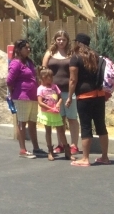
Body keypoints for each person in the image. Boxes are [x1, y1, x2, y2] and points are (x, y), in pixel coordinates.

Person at [67, 32, 110, 166]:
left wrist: (69, 96)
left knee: (86, 127)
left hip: (84, 96)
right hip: (99, 95)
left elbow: (73, 80)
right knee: (101, 126)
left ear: (78, 43)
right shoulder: (97, 57)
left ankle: (85, 158)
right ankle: (105, 157)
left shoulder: (75, 58)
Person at [42, 29, 80, 157]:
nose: (61, 42)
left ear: (67, 41)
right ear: (55, 40)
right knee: (60, 119)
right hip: (53, 92)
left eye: (64, 40)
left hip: (69, 90)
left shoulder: (71, 53)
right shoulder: (50, 53)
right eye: (59, 39)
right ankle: (61, 144)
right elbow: (43, 71)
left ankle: (74, 144)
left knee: (72, 118)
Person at [6, 39, 42, 158]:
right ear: (18, 49)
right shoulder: (16, 63)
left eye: (29, 48)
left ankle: (36, 148)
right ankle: (23, 149)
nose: (29, 50)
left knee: (33, 122)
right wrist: (13, 94)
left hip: (32, 96)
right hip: (21, 97)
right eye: (26, 48)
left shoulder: (29, 62)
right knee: (22, 123)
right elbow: (9, 81)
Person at [36, 67, 67, 161]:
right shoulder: (40, 89)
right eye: (48, 77)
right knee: (48, 131)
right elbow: (40, 102)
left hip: (55, 113)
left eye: (51, 77)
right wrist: (50, 108)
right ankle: (50, 151)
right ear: (43, 78)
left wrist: (58, 104)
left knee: (61, 130)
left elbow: (60, 97)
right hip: (47, 113)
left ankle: (67, 151)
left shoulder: (54, 87)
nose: (51, 79)